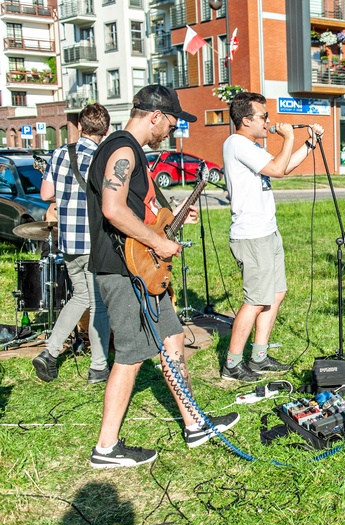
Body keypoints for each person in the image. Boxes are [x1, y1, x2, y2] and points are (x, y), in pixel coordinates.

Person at [86, 84, 239, 468]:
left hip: (140, 268)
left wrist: (169, 220)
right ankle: (106, 447)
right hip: (123, 271)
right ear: (155, 116)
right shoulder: (122, 149)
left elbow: (140, 213)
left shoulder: (131, 151)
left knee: (172, 337)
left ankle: (194, 423)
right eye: (171, 122)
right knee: (131, 356)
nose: (173, 129)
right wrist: (158, 241)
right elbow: (112, 209)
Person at [221, 91, 324, 382]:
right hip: (252, 235)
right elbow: (278, 170)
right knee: (255, 300)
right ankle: (232, 364)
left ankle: (259, 356)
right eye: (263, 116)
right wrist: (288, 136)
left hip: (268, 231)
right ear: (246, 120)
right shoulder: (237, 144)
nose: (268, 121)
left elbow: (283, 166)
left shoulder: (251, 147)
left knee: (276, 294)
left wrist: (309, 143)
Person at [32, 104, 112, 385]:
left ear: (79, 127)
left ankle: (50, 352)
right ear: (106, 131)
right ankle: (98, 368)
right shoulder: (104, 157)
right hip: (94, 242)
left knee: (80, 297)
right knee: (98, 304)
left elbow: (46, 194)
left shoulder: (60, 153)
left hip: (68, 241)